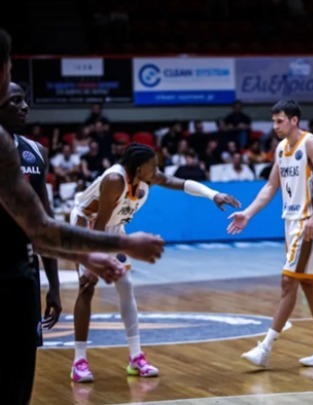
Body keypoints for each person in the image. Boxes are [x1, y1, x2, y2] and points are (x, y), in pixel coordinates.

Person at [0, 27, 163, 405]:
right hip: (16, 273)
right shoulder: (7, 150)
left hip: (25, 268)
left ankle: (132, 354)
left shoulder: (29, 151)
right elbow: (41, 228)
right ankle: (80, 359)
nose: (22, 105)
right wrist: (119, 244)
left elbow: (38, 228)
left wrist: (61, 278)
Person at [69, 143, 240, 383]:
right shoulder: (115, 180)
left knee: (125, 285)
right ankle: (79, 361)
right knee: (87, 288)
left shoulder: (145, 178)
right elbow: (99, 227)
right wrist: (92, 266)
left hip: (112, 228)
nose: (157, 170)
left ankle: (136, 357)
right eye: (153, 166)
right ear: (139, 169)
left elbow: (179, 183)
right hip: (87, 228)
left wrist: (213, 194)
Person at [227, 99, 313, 368]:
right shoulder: (280, 149)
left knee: (288, 283)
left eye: (280, 120)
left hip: (308, 222)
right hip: (290, 221)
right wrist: (248, 214)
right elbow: (270, 186)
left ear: (294, 120)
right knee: (309, 283)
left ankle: (265, 348)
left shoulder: (311, 143)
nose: (275, 126)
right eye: (274, 121)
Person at [0, 82, 63, 329]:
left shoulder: (36, 152)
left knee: (23, 357)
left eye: (25, 100)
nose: (25, 106)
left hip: (25, 268)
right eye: (16, 100)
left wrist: (54, 286)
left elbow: (45, 223)